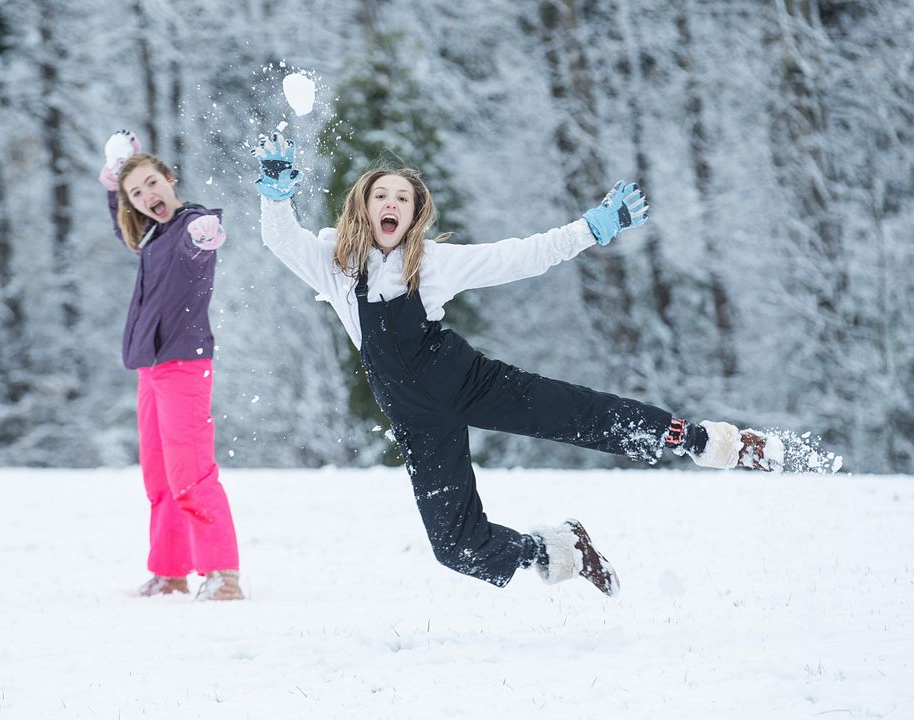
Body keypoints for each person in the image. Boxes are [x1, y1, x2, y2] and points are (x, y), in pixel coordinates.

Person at [251, 130, 783, 597]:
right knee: (456, 549)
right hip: (419, 422)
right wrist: (276, 199)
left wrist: (588, 230)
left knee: (583, 414)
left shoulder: (433, 263)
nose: (391, 204)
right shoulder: (338, 268)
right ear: (363, 208)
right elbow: (282, 239)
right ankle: (558, 552)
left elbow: (519, 255)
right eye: (381, 196)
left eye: (403, 199)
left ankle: (712, 443)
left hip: (471, 383)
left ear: (415, 214)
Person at [98, 130, 243, 601]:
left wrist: (207, 234)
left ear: (168, 178)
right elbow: (124, 227)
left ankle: (222, 573)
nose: (146, 197)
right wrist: (112, 185)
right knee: (159, 479)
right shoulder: (153, 236)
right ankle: (170, 572)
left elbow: (202, 238)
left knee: (191, 473)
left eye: (151, 184)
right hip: (151, 369)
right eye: (136, 193)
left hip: (184, 365)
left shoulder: (187, 226)